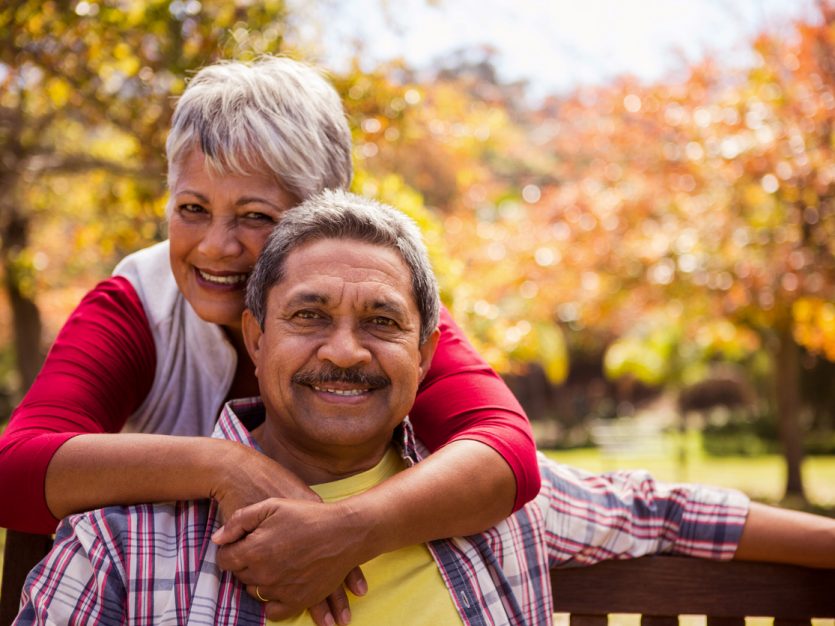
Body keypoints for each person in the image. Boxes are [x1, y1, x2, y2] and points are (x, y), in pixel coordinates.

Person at [15, 190, 835, 626]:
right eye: (308, 317)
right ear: (256, 339)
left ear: (425, 351)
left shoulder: (498, 508)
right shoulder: (121, 544)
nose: (344, 350)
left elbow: (667, 513)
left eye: (380, 323)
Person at [0, 57, 540, 623]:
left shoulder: (368, 312)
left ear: (320, 219)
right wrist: (224, 467)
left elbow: (505, 447)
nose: (215, 246)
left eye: (255, 216)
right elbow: (14, 465)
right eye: (192, 208)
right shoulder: (137, 302)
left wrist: (345, 532)